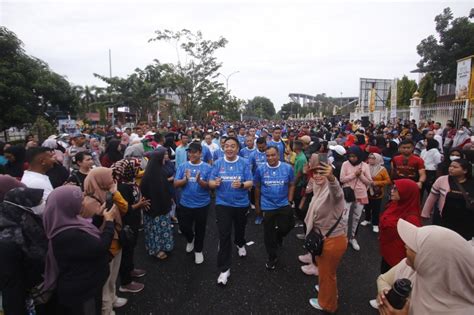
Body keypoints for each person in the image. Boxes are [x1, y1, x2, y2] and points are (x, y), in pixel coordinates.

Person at [43, 185, 117, 315]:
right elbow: (100, 247)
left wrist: (98, 217)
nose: (83, 203)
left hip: (87, 285)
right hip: (83, 292)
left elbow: (87, 234)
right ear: (67, 205)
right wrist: (109, 222)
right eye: (80, 200)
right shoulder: (68, 234)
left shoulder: (66, 221)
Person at [377, 219, 474, 315]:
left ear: (429, 260)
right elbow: (383, 280)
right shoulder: (413, 267)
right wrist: (385, 296)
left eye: (414, 246)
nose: (406, 245)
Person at [81, 167, 129, 313]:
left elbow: (124, 208)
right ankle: (106, 310)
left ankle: (113, 299)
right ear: (99, 180)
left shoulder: (107, 193)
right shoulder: (87, 202)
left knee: (112, 277)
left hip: (115, 242)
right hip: (103, 246)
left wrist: (115, 192)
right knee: (103, 282)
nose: (112, 179)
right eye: (109, 176)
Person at [302, 162, 347, 313]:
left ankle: (327, 304)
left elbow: (338, 193)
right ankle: (328, 291)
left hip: (332, 241)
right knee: (326, 272)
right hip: (325, 239)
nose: (317, 176)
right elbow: (312, 185)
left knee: (328, 275)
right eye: (315, 173)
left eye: (321, 173)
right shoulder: (319, 188)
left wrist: (332, 178)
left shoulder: (333, 191)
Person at [209, 137, 253, 286]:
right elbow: (210, 182)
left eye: (232, 146)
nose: (229, 149)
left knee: (240, 229)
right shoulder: (218, 163)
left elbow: (250, 182)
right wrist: (214, 183)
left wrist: (241, 185)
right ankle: (224, 269)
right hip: (223, 204)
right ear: (223, 148)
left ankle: (240, 243)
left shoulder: (244, 162)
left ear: (237, 149)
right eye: (226, 146)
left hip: (241, 204)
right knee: (224, 234)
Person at [0, 185, 48, 315]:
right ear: (22, 206)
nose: (42, 204)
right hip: (18, 298)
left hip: (31, 291)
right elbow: (11, 284)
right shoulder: (8, 237)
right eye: (38, 202)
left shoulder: (26, 222)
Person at [254, 146, 295, 270]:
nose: (270, 158)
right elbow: (257, 188)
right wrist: (257, 206)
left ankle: (279, 236)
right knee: (268, 234)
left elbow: (292, 184)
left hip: (283, 203)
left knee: (288, 226)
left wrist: (290, 200)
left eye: (273, 155)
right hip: (268, 205)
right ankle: (272, 257)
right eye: (268, 155)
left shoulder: (287, 168)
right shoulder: (260, 169)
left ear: (278, 155)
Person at [112, 158, 150, 294]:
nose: (138, 170)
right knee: (126, 251)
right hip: (126, 223)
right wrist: (139, 205)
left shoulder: (130, 183)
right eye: (136, 168)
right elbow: (125, 208)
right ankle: (125, 282)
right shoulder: (122, 187)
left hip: (134, 221)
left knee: (131, 247)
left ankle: (131, 269)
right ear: (129, 171)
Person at [174, 142, 212, 264]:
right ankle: (190, 239)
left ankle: (198, 250)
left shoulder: (207, 167)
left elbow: (211, 187)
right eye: (190, 152)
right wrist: (185, 179)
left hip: (202, 204)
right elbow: (175, 184)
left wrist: (200, 181)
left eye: (194, 152)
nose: (191, 154)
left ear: (200, 153)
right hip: (185, 203)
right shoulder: (183, 166)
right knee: (184, 227)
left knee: (200, 229)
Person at [422, 159, 474, 240]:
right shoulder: (442, 180)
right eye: (450, 166)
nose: (451, 168)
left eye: (455, 167)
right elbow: (432, 197)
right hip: (445, 219)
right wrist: (425, 213)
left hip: (466, 221)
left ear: (465, 170)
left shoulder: (471, 183)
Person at [379, 179, 421, 274]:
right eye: (393, 188)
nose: (392, 191)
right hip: (387, 253)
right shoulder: (395, 204)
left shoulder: (412, 219)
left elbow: (413, 247)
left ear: (406, 193)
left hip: (397, 262)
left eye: (396, 189)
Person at [140, 148, 174, 260]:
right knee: (155, 230)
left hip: (163, 206)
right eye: (162, 157)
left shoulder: (161, 171)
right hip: (153, 209)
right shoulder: (148, 176)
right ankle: (155, 249)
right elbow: (145, 191)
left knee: (163, 228)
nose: (164, 158)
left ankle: (164, 246)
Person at [340, 146, 372, 251]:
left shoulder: (365, 166)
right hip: (347, 193)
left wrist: (361, 175)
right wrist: (354, 174)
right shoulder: (345, 164)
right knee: (344, 218)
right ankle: (343, 237)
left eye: (354, 156)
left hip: (360, 194)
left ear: (359, 156)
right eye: (350, 156)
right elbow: (342, 179)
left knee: (356, 218)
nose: (352, 158)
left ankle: (352, 238)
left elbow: (369, 182)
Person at [360, 153, 391, 233]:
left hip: (377, 193)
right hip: (366, 191)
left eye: (373, 158)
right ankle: (367, 219)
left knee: (376, 209)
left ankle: (375, 224)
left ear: (377, 159)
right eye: (369, 158)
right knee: (367, 207)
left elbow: (388, 181)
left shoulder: (382, 169)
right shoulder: (365, 167)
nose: (370, 159)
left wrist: (376, 183)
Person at [21, 147, 56, 212]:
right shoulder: (36, 181)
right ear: (42, 161)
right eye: (51, 157)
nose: (54, 159)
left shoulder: (34, 177)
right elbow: (51, 208)